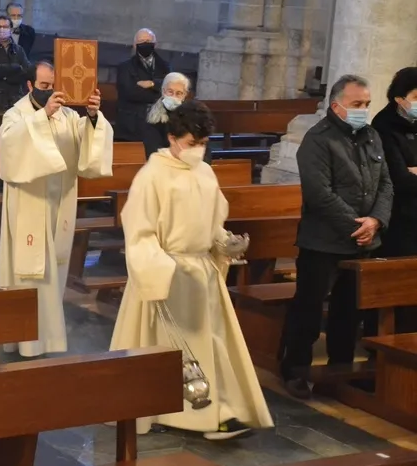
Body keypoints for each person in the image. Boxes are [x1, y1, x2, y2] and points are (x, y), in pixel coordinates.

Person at [110, 101, 273, 440]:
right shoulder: (152, 175)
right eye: (190, 142)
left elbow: (213, 219)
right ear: (172, 138)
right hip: (166, 273)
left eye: (203, 143)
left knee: (210, 342)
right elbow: (138, 229)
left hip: (202, 273)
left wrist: (223, 242)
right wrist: (157, 269)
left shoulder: (204, 172)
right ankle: (172, 411)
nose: (197, 149)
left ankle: (219, 408)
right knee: (166, 348)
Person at [280, 75, 392, 400]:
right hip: (322, 241)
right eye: (357, 105)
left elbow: (385, 184)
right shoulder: (318, 140)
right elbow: (319, 194)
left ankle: (339, 371)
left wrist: (376, 220)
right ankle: (295, 369)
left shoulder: (371, 136)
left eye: (367, 104)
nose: (364, 111)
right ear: (337, 106)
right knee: (309, 309)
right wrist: (357, 225)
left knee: (348, 313)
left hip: (363, 241)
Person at [0, 62, 113, 357]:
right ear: (30, 85)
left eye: (53, 86)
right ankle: (21, 339)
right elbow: (10, 150)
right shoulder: (16, 115)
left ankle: (49, 338)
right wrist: (42, 117)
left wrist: (93, 115)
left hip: (60, 204)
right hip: (29, 205)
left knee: (53, 274)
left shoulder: (69, 115)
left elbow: (88, 150)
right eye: (44, 86)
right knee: (29, 272)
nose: (50, 92)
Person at [369, 67, 417, 334]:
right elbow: (399, 178)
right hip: (399, 220)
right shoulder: (384, 126)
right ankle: (386, 352)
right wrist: (411, 172)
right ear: (400, 98)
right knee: (397, 292)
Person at [142, 72, 212, 163]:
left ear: (185, 95)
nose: (174, 96)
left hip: (193, 167)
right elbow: (153, 152)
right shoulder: (153, 119)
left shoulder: (194, 115)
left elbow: (205, 149)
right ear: (163, 91)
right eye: (170, 92)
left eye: (179, 93)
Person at [115, 28, 171, 142]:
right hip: (131, 127)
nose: (145, 44)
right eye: (141, 41)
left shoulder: (165, 66)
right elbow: (129, 93)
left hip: (158, 126)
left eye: (148, 40)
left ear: (155, 44)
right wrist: (158, 90)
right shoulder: (125, 67)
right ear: (135, 45)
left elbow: (170, 89)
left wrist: (152, 83)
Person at [0, 15, 31, 111]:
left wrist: (6, 74)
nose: (2, 29)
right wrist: (16, 68)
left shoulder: (18, 49)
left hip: (16, 99)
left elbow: (27, 70)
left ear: (11, 30)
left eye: (5, 27)